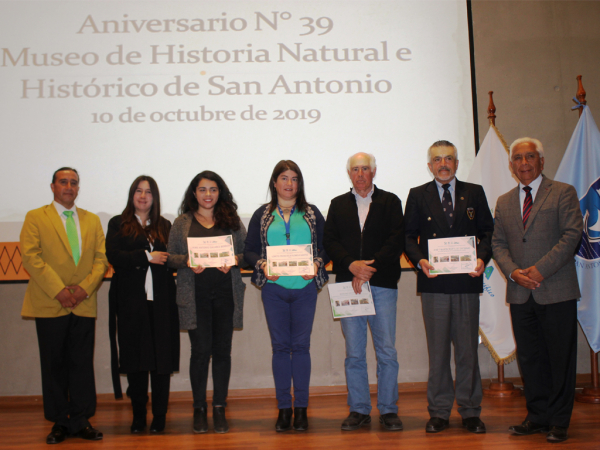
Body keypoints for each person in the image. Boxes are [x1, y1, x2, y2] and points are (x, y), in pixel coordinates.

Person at [492, 138, 582, 443]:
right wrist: (514, 272)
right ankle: (537, 415)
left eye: (530, 156)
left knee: (560, 358)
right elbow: (497, 244)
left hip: (556, 289)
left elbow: (572, 236)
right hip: (520, 292)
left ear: (541, 161)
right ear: (511, 165)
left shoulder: (563, 192)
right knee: (530, 359)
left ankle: (559, 420)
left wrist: (540, 270)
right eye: (517, 158)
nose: (524, 163)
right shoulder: (504, 201)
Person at [404, 140, 494, 434]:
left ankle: (470, 411)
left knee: (468, 350)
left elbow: (487, 232)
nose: (443, 164)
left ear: (457, 163)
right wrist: (420, 262)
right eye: (437, 160)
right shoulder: (418, 195)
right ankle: (440, 411)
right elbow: (408, 237)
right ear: (429, 165)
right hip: (434, 283)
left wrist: (481, 257)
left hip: (467, 282)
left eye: (449, 159)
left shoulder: (474, 192)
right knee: (439, 350)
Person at [20, 167, 108, 444]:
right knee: (54, 364)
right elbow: (31, 257)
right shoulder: (36, 217)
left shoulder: (92, 220)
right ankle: (59, 422)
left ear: (78, 188)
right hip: (50, 302)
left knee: (81, 364)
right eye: (63, 182)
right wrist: (59, 291)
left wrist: (83, 289)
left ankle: (81, 420)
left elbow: (100, 260)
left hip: (83, 302)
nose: (69, 186)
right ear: (53, 186)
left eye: (74, 183)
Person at [244, 160, 329, 432]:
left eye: (294, 178)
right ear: (274, 182)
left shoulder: (313, 213)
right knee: (280, 348)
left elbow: (327, 246)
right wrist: (262, 264)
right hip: (274, 290)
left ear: (299, 183)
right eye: (284, 178)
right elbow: (249, 250)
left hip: (305, 290)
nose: (289, 183)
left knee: (301, 348)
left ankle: (301, 409)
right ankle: (283, 409)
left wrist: (317, 263)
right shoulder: (262, 214)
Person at [323, 152, 404, 431]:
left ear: (374, 172)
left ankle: (389, 410)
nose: (360, 174)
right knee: (354, 353)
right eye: (355, 169)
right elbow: (330, 241)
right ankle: (359, 409)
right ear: (349, 174)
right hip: (348, 285)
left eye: (365, 169)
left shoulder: (391, 201)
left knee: (386, 352)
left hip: (381, 284)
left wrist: (370, 268)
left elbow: (396, 240)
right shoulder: (337, 204)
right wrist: (351, 265)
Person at [168, 171, 247, 434]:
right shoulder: (181, 223)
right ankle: (199, 408)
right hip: (195, 297)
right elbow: (171, 257)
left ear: (220, 192)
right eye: (202, 190)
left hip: (226, 294)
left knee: (223, 352)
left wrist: (234, 260)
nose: (208, 195)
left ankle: (220, 407)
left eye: (213, 189)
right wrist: (187, 262)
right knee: (200, 352)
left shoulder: (232, 221)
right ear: (194, 193)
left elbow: (247, 253)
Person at [106, 176, 180, 434]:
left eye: (148, 192)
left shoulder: (165, 225)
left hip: (161, 303)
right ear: (131, 194)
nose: (143, 196)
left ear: (155, 197)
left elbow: (173, 257)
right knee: (135, 361)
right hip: (130, 303)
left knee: (162, 361)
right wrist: (147, 256)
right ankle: (138, 416)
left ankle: (159, 416)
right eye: (138, 190)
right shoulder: (118, 223)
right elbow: (114, 256)